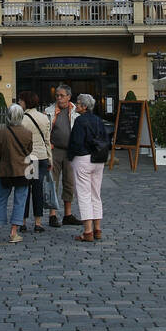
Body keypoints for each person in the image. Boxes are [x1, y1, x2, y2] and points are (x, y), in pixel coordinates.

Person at [0, 104, 34, 244]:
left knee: (0, 200)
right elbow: (29, 151)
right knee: (20, 201)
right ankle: (14, 232)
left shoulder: (1, 133)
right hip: (23, 172)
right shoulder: (27, 133)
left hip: (5, 171)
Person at [67, 94, 108, 242]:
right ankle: (97, 228)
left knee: (84, 194)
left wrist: (70, 156)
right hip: (98, 158)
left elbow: (76, 142)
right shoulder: (98, 120)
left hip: (83, 158)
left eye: (78, 104)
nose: (76, 106)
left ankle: (88, 231)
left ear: (84, 106)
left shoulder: (80, 120)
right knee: (96, 194)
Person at [18, 92, 51, 233]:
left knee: (25, 190)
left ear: (26, 102)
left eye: (20, 100)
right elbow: (48, 141)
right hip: (42, 157)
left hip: (29, 158)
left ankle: (23, 221)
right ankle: (38, 222)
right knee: (38, 190)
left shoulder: (22, 119)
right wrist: (50, 158)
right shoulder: (44, 118)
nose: (19, 102)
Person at [47, 84, 79, 226]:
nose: (59, 98)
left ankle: (68, 214)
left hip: (71, 152)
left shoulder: (76, 111)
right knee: (52, 182)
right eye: (57, 96)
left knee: (69, 183)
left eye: (61, 95)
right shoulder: (49, 111)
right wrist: (48, 144)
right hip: (55, 151)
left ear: (68, 97)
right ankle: (52, 214)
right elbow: (45, 130)